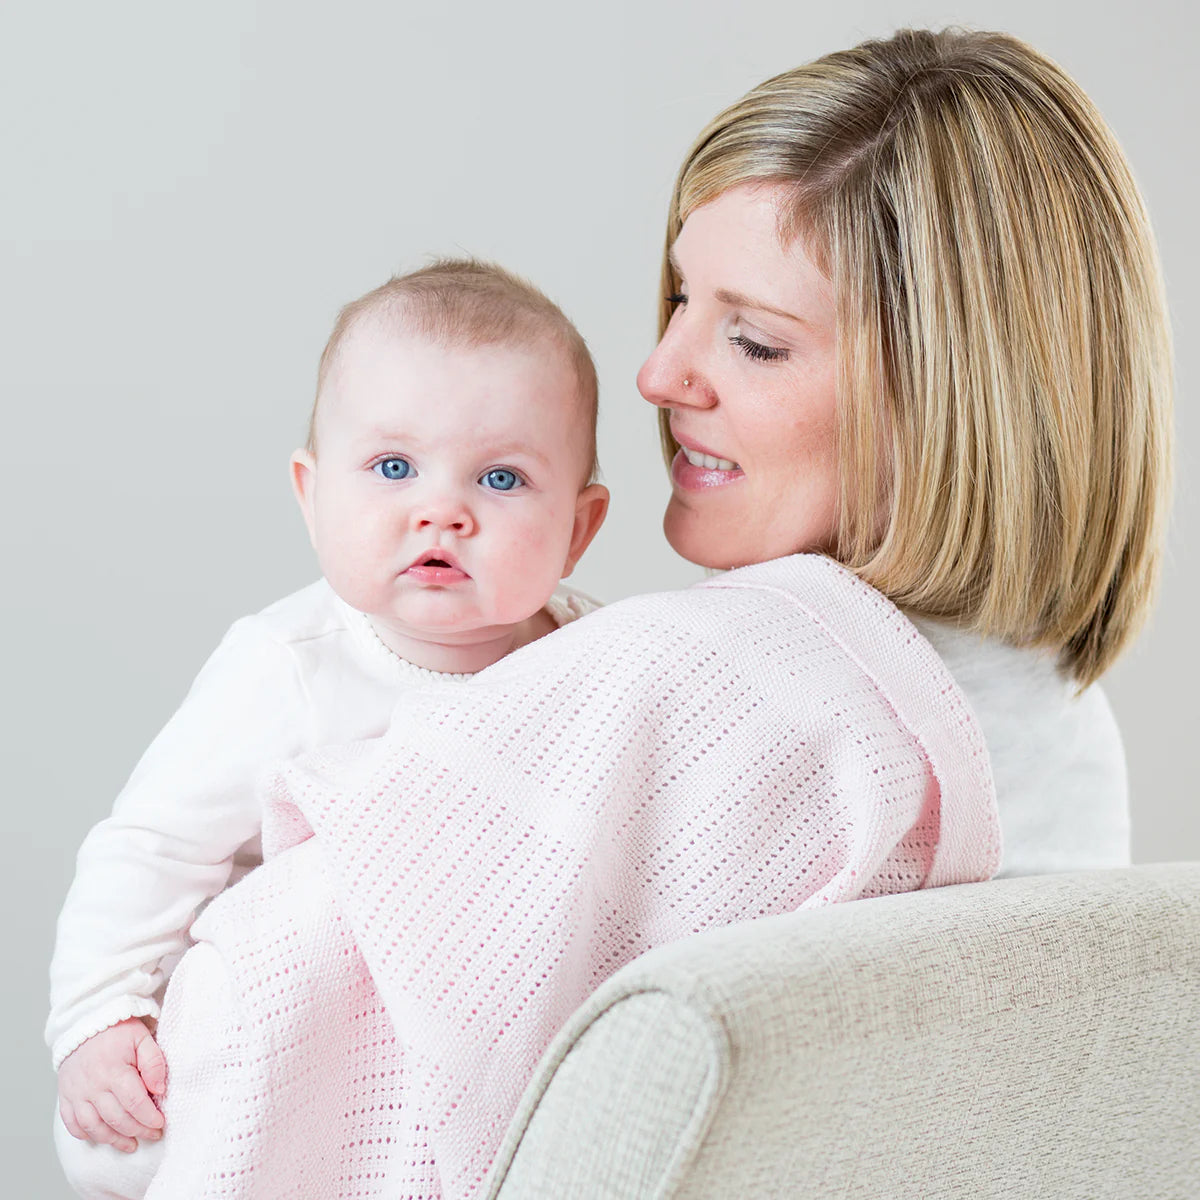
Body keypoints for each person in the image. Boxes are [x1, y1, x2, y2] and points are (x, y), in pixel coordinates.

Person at [62, 25, 1174, 1200]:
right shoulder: (1063, 731)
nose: (658, 371)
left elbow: (204, 1078)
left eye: (751, 339)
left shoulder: (669, 687)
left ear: (954, 394)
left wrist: (107, 1057)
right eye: (682, 297)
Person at [48, 259, 611, 1186]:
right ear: (312, 495)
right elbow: (150, 848)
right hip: (295, 1024)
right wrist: (103, 1019)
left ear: (578, 530)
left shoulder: (592, 654)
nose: (443, 510)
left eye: (502, 478)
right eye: (393, 468)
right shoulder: (289, 668)